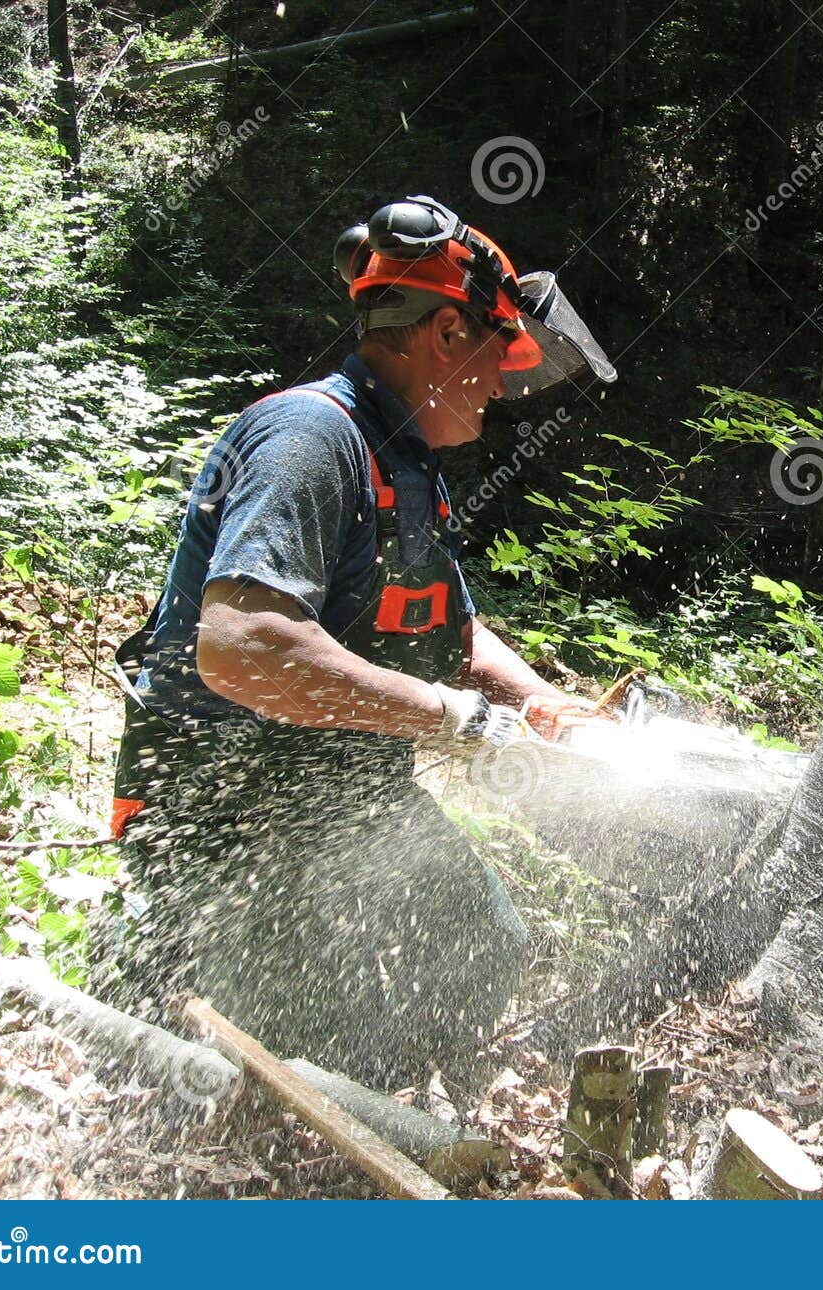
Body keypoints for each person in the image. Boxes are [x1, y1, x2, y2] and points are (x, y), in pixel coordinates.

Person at [105, 195, 617, 1090]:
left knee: (484, 944)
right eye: (502, 353)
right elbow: (245, 647)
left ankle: (382, 1108)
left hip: (336, 788)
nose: (505, 383)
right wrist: (451, 719)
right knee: (303, 1042)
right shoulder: (310, 437)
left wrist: (543, 705)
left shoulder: (406, 462)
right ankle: (282, 1139)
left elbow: (446, 628)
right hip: (226, 809)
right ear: (449, 333)